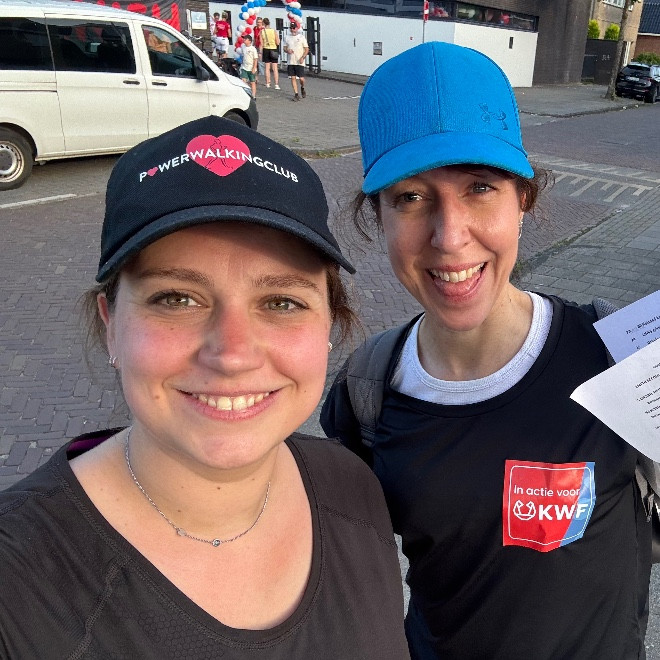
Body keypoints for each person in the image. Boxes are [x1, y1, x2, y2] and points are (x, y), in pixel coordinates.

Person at [0, 116, 411, 659]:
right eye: (177, 299)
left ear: (328, 328)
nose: (232, 353)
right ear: (111, 324)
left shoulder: (352, 488)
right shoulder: (19, 584)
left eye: (281, 302)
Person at [321, 41, 652, 659]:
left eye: (479, 187)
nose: (449, 237)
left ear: (524, 198)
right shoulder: (366, 393)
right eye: (410, 197)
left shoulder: (619, 354)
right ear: (378, 216)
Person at [284, 22, 308, 101]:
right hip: (291, 61)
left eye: (294, 28)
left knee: (301, 79)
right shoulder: (287, 37)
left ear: (297, 28)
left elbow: (306, 49)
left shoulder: (301, 37)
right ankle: (296, 94)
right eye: (291, 28)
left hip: (299, 60)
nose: (292, 29)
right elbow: (284, 48)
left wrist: (303, 57)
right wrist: (287, 50)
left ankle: (302, 87)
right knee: (293, 77)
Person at [260, 17, 280, 89]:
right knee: (275, 68)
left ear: (263, 23)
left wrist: (260, 52)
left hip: (266, 49)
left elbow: (261, 43)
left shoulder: (262, 32)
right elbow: (277, 42)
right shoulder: (273, 31)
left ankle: (268, 83)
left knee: (267, 67)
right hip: (273, 49)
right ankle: (276, 84)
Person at [240, 33, 258, 99]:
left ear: (249, 41)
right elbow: (243, 56)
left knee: (252, 82)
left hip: (251, 67)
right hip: (244, 67)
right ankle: (246, 94)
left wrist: (254, 68)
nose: (244, 40)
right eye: (244, 39)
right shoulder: (243, 47)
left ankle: (253, 95)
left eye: (245, 39)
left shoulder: (253, 49)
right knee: (243, 80)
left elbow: (255, 59)